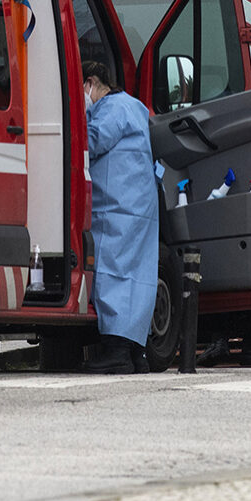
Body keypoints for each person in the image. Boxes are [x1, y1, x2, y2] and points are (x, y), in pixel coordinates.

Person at [80, 61, 158, 374]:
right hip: (138, 208)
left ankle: (116, 351)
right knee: (137, 277)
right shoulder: (136, 106)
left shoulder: (111, 108)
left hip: (116, 208)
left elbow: (91, 142)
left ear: (90, 83)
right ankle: (136, 352)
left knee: (113, 273)